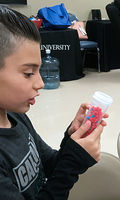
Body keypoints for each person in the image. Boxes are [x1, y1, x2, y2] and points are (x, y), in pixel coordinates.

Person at [0, 6, 108, 199]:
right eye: (28, 73)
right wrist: (71, 166)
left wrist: (72, 141)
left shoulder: (15, 116)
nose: (40, 83)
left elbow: (50, 164)